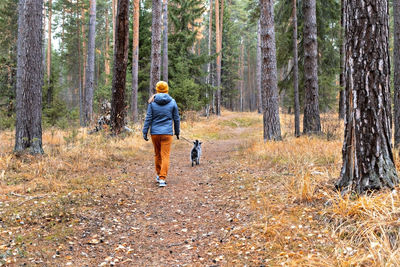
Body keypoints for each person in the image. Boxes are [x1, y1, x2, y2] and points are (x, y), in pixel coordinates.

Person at [142, 81, 180, 187]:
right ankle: (162, 178)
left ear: (157, 89)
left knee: (157, 154)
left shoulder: (152, 102)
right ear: (167, 89)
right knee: (165, 155)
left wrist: (145, 132)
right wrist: (177, 132)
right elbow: (176, 118)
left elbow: (148, 118)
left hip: (155, 133)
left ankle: (159, 175)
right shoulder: (172, 102)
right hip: (167, 133)